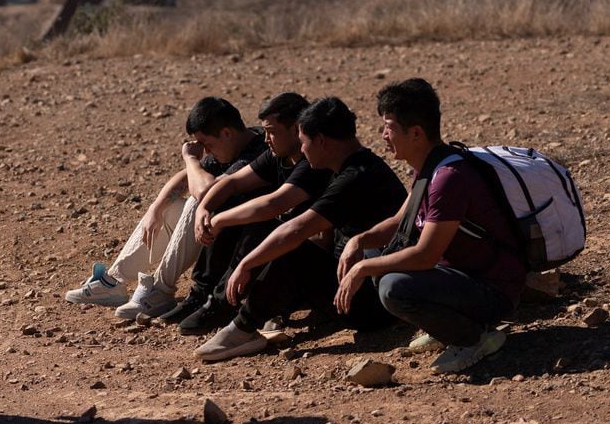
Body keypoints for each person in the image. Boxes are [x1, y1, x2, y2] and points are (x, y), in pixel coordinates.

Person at [335, 78, 527, 373]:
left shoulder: (449, 177)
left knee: (392, 287)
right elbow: (399, 221)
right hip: (458, 276)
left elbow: (425, 255)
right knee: (373, 256)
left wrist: (363, 269)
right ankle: (448, 327)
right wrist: (358, 242)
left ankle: (475, 338)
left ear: (416, 133)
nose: (383, 135)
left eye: (390, 127)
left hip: (493, 290)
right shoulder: (429, 165)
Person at [196, 97, 407, 362]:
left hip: (373, 305)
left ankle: (243, 328)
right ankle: (251, 308)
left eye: (304, 141)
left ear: (321, 141)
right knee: (282, 242)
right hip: (355, 287)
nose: (302, 151)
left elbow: (298, 229)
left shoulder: (356, 177)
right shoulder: (353, 166)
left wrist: (246, 265)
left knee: (291, 252)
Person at [65, 97, 268, 319]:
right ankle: (113, 282)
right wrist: (156, 207)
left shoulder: (257, 150)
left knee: (195, 202)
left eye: (208, 145)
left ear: (227, 133)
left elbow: (208, 193)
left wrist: (191, 160)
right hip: (215, 234)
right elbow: (184, 178)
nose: (207, 153)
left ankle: (160, 291)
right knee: (169, 207)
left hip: (243, 241)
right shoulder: (229, 146)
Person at [162, 92, 332, 335]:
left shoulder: (311, 163)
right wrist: (205, 208)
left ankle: (225, 304)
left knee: (260, 224)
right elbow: (231, 183)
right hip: (289, 255)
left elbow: (274, 204)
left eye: (272, 132)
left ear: (296, 129)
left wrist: (219, 219)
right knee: (231, 204)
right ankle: (203, 293)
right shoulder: (278, 156)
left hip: (313, 264)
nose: (266, 139)